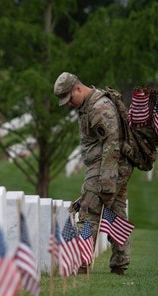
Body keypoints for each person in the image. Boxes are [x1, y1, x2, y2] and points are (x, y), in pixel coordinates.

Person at [53, 72, 133, 275]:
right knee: (116, 212)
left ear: (78, 88)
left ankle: (81, 264)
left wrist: (107, 181)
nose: (69, 103)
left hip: (106, 166)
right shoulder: (88, 104)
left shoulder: (99, 107)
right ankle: (120, 263)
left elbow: (111, 143)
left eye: (70, 98)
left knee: (88, 211)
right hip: (112, 166)